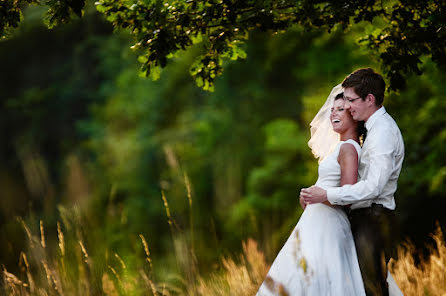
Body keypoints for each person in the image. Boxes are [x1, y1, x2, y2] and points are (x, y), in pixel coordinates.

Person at [301, 68, 405, 296]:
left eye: (351, 100)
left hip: (374, 219)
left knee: (372, 288)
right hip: (365, 218)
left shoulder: (383, 133)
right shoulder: (373, 130)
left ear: (370, 99)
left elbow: (374, 186)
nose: (347, 106)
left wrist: (326, 195)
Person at [257, 86, 367, 295]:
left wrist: (321, 196)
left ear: (353, 114)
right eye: (332, 109)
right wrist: (310, 198)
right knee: (303, 277)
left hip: (329, 226)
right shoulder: (339, 148)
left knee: (315, 279)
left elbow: (349, 196)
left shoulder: (349, 149)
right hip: (316, 221)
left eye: (340, 109)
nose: (333, 113)